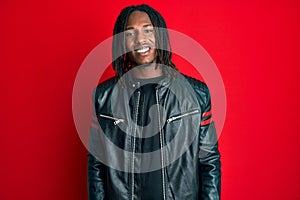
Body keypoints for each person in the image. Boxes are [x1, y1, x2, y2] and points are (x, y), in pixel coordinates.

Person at [88, 4, 221, 200]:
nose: (140, 39)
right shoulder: (104, 96)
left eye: (148, 30)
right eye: (130, 33)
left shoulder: (196, 94)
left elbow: (209, 161)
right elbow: (96, 164)